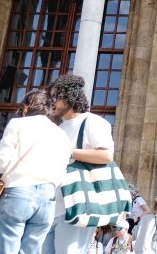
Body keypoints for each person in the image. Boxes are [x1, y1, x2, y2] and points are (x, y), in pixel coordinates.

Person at [0, 89, 72, 254]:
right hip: (47, 197)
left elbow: (2, 160)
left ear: (27, 107)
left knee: (5, 248)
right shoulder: (61, 134)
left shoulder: (18, 124)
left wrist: (13, 172)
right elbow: (62, 171)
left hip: (19, 191)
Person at [45, 74, 118, 254]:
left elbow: (106, 155)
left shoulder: (92, 122)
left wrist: (68, 152)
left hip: (76, 205)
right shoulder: (58, 127)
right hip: (50, 206)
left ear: (71, 96)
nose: (51, 102)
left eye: (56, 97)